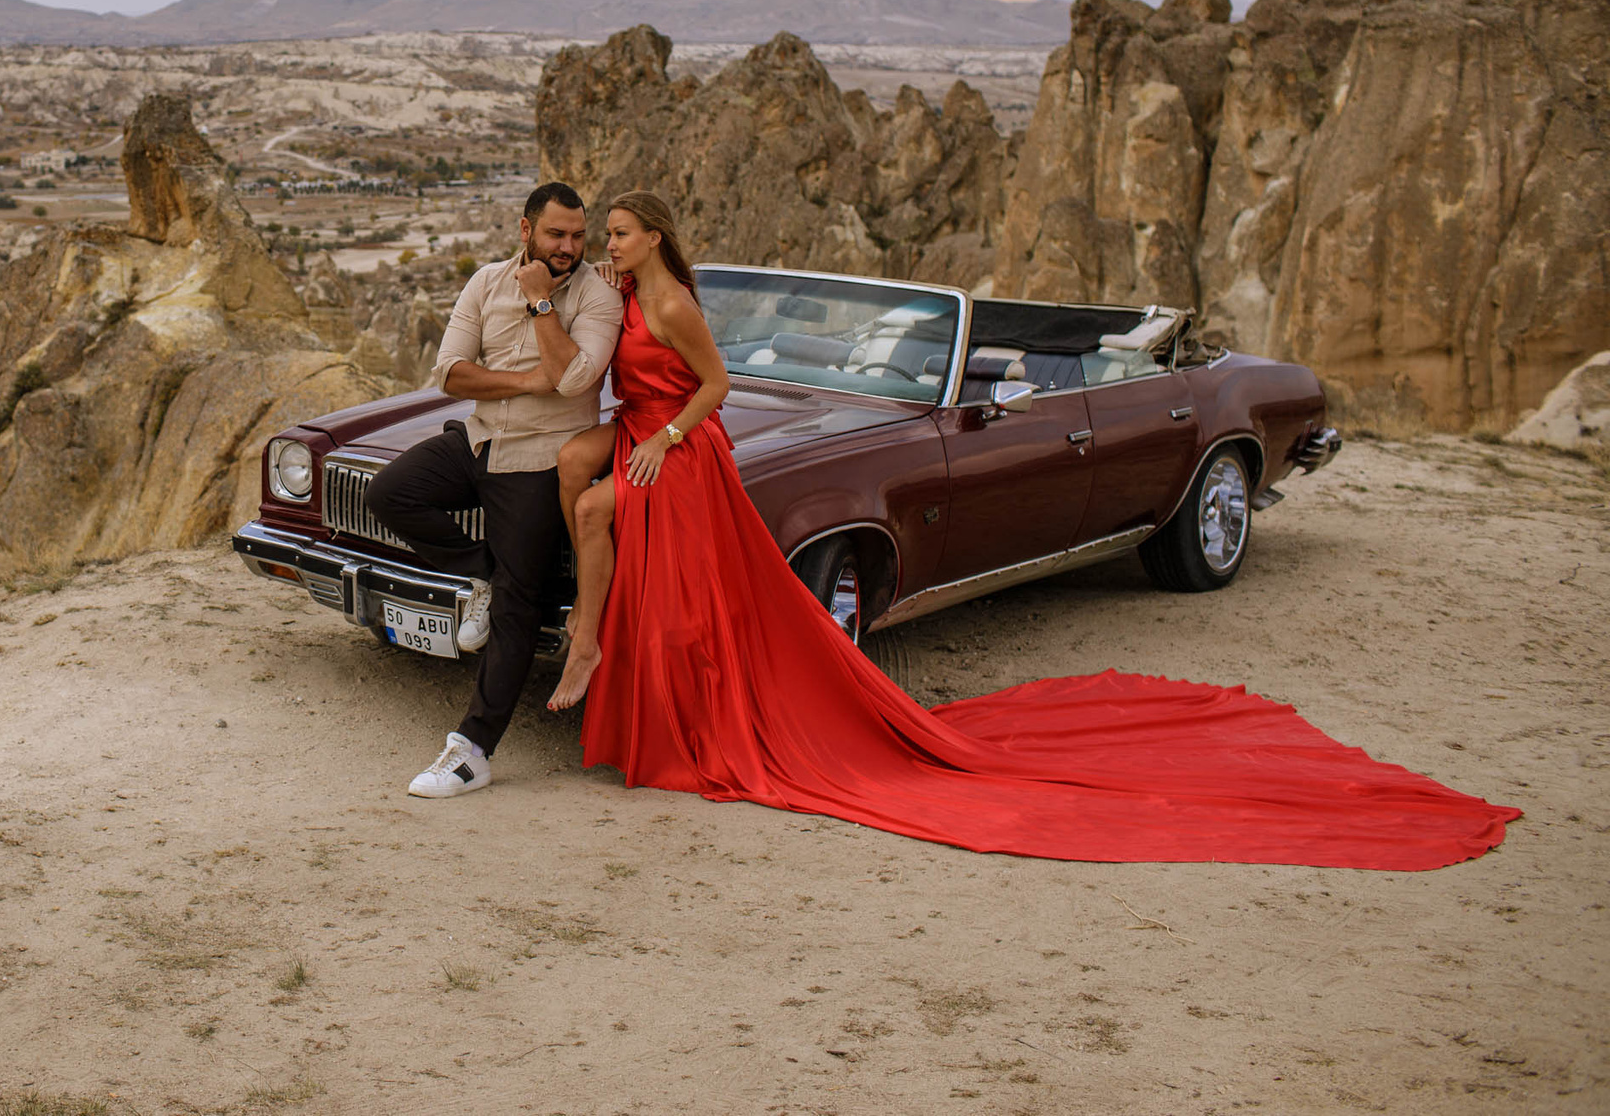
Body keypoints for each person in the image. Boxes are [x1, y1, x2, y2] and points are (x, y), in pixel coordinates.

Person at [552, 190, 1517, 869]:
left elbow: (711, 379)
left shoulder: (999, 390)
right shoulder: (648, 295)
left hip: (977, 416)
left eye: (623, 232)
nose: (614, 242)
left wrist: (671, 433)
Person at [365, 182, 624, 799]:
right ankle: (479, 572)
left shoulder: (598, 293)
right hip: (478, 439)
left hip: (541, 458)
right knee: (389, 493)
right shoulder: (485, 281)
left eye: (577, 236)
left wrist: (540, 304)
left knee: (518, 604)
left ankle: (472, 752)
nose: (567, 247)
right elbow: (450, 373)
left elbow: (575, 380)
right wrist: (530, 381)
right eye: (555, 233)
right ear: (526, 229)